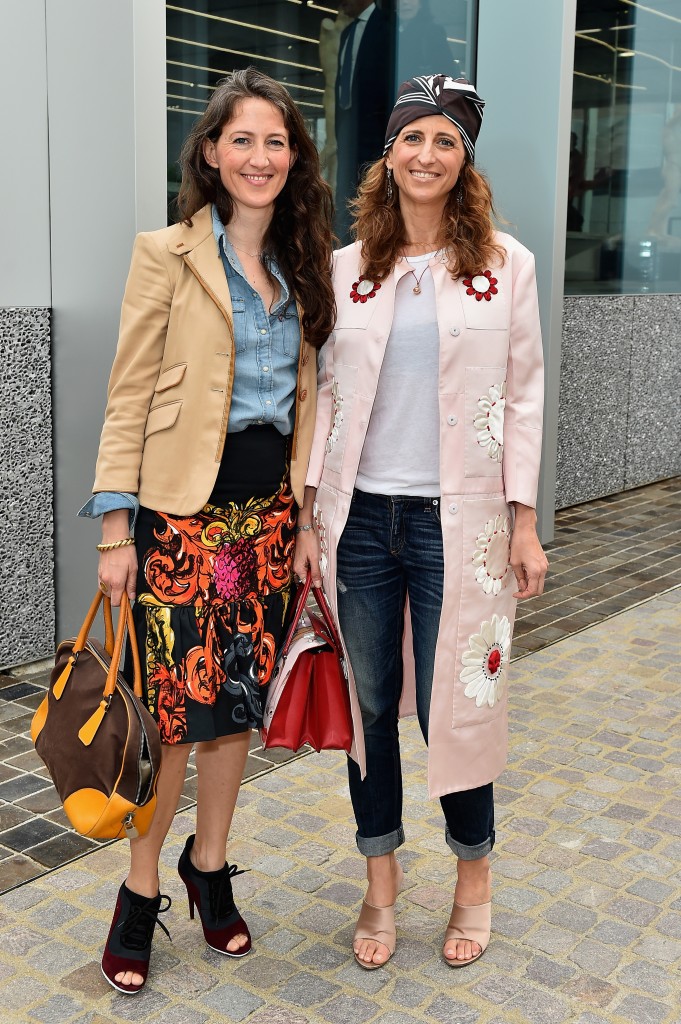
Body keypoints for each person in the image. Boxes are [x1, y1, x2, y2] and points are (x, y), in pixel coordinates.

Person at [78, 67, 334, 994]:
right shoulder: (168, 252)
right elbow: (129, 393)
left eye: (275, 141)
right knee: (172, 722)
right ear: (211, 153)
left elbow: (311, 397)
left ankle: (211, 866)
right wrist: (115, 528)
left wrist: (306, 516)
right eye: (242, 139)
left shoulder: (309, 257)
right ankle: (140, 890)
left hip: (266, 523)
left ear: (293, 157)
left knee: (233, 718)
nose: (259, 156)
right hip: (178, 523)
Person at [295, 74, 548, 970]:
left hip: (463, 523)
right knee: (369, 710)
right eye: (412, 139)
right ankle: (380, 885)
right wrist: (305, 520)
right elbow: (320, 400)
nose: (426, 156)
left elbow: (523, 398)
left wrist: (522, 523)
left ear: (463, 160)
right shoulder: (343, 269)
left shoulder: (504, 267)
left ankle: (471, 880)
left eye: (444, 141)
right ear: (388, 155)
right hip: (358, 522)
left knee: (456, 710)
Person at [334, 0, 392, 240]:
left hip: (376, 139)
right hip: (349, 139)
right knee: (347, 203)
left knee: (374, 204)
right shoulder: (347, 33)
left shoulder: (386, 28)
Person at [396, 0, 453, 83]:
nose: (405, 2)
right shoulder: (385, 33)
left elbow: (447, 72)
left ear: (421, 3)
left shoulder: (432, 32)